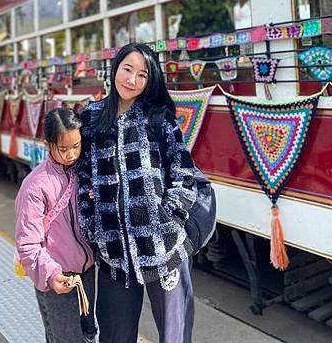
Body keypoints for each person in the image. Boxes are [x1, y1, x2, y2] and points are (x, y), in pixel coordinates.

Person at [78, 43, 198, 343]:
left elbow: (185, 173)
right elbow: (80, 178)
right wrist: (93, 225)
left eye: (141, 75)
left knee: (175, 336)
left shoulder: (159, 118)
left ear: (150, 80)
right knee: (115, 337)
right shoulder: (90, 119)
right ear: (115, 68)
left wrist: (169, 218)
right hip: (113, 255)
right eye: (127, 69)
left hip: (164, 249)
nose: (131, 80)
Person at [15, 108, 97, 343]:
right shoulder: (35, 186)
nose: (72, 154)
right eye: (63, 149)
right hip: (57, 278)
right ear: (47, 144)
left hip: (87, 273)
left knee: (89, 334)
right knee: (65, 339)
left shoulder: (83, 173)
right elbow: (27, 244)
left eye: (76, 146)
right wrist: (51, 275)